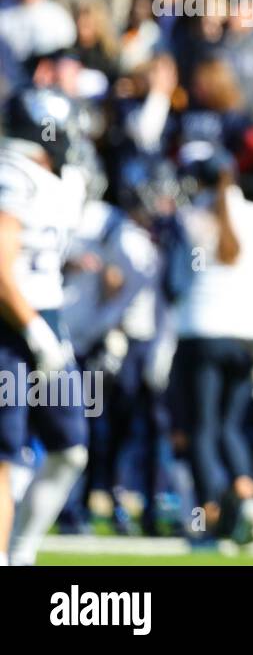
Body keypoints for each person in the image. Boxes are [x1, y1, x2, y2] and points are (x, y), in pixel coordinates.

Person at [168, 140, 253, 543]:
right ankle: (247, 496)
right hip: (249, 335)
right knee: (231, 426)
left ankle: (211, 511)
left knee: (202, 429)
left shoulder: (190, 218)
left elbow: (175, 282)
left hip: (203, 330)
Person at [0, 90, 89, 566]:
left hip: (45, 321)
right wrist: (33, 329)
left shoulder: (50, 179)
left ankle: (22, 552)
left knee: (70, 449)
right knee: (4, 458)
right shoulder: (11, 173)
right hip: (12, 324)